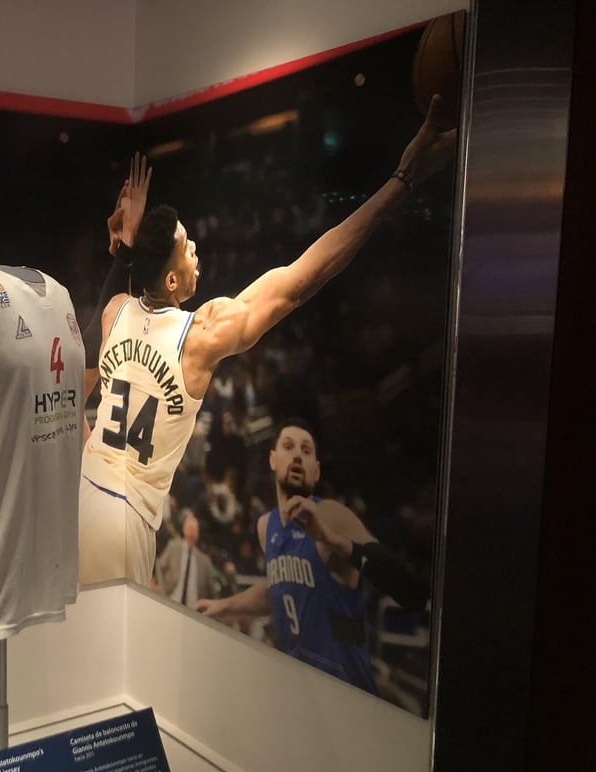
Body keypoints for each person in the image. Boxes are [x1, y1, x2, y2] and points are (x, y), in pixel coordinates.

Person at [77, 97, 455, 586]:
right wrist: (403, 180)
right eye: (186, 247)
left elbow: (82, 372)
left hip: (84, 493)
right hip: (127, 520)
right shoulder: (201, 334)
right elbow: (303, 278)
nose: (195, 249)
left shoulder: (114, 312)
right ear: (170, 281)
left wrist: (126, 247)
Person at [194, 418, 429, 694]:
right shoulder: (266, 526)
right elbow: (279, 589)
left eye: (306, 450)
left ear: (316, 471)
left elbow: (412, 591)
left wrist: (333, 540)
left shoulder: (331, 515)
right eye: (289, 446)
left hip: (346, 691)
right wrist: (223, 606)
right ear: (272, 459)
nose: (297, 455)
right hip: (301, 687)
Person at [153, 510, 216, 607]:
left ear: (198, 533)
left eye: (194, 529)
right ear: (184, 529)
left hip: (193, 607)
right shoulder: (173, 547)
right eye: (189, 528)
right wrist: (162, 586)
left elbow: (212, 590)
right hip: (172, 598)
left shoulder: (205, 561)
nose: (191, 532)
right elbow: (160, 565)